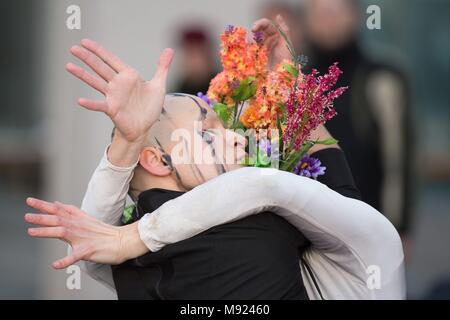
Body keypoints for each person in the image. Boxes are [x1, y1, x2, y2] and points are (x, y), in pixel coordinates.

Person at [25, 18, 405, 299]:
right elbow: (267, 186)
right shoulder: (263, 234)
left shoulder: (135, 256)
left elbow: (94, 251)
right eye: (208, 130)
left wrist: (130, 226)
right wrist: (129, 141)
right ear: (156, 161)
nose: (238, 137)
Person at [303, 0, 414, 236]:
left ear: (354, 17)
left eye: (333, 11)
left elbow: (397, 156)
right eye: (319, 12)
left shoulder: (381, 78)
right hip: (307, 230)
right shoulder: (297, 82)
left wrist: (399, 227)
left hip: (371, 225)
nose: (326, 20)